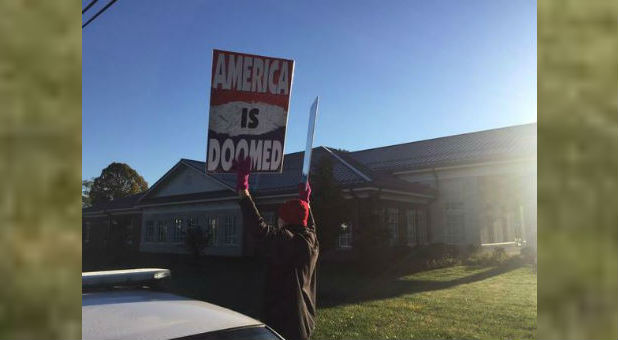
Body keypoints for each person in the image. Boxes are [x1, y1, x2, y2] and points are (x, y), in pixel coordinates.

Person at [233, 156, 319, 340]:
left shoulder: (285, 241)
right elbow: (310, 224)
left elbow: (258, 227)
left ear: (285, 220)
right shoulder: (311, 241)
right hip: (305, 323)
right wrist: (306, 202)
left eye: (280, 217)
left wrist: (243, 188)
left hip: (284, 327)